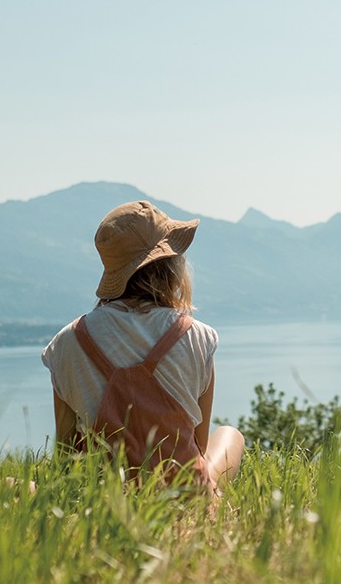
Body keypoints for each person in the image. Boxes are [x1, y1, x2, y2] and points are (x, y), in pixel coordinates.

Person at [41, 200, 244, 492]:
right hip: (185, 494)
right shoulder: (199, 336)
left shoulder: (66, 342)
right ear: (170, 265)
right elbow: (197, 447)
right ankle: (215, 500)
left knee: (13, 485)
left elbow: (66, 454)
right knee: (229, 434)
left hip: (105, 498)